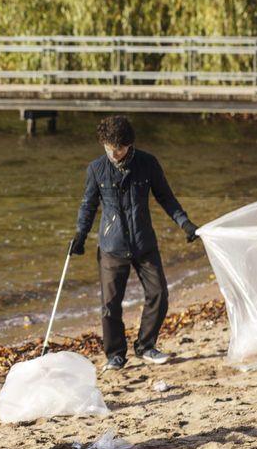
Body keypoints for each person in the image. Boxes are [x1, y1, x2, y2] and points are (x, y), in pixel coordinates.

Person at [69, 115, 200, 371]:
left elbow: (166, 198)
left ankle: (145, 346)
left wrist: (185, 223)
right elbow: (88, 205)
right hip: (111, 247)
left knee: (159, 294)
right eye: (108, 147)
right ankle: (116, 355)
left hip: (144, 244)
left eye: (118, 148)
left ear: (129, 144)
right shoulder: (96, 169)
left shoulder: (148, 163)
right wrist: (79, 236)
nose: (113, 153)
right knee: (110, 306)